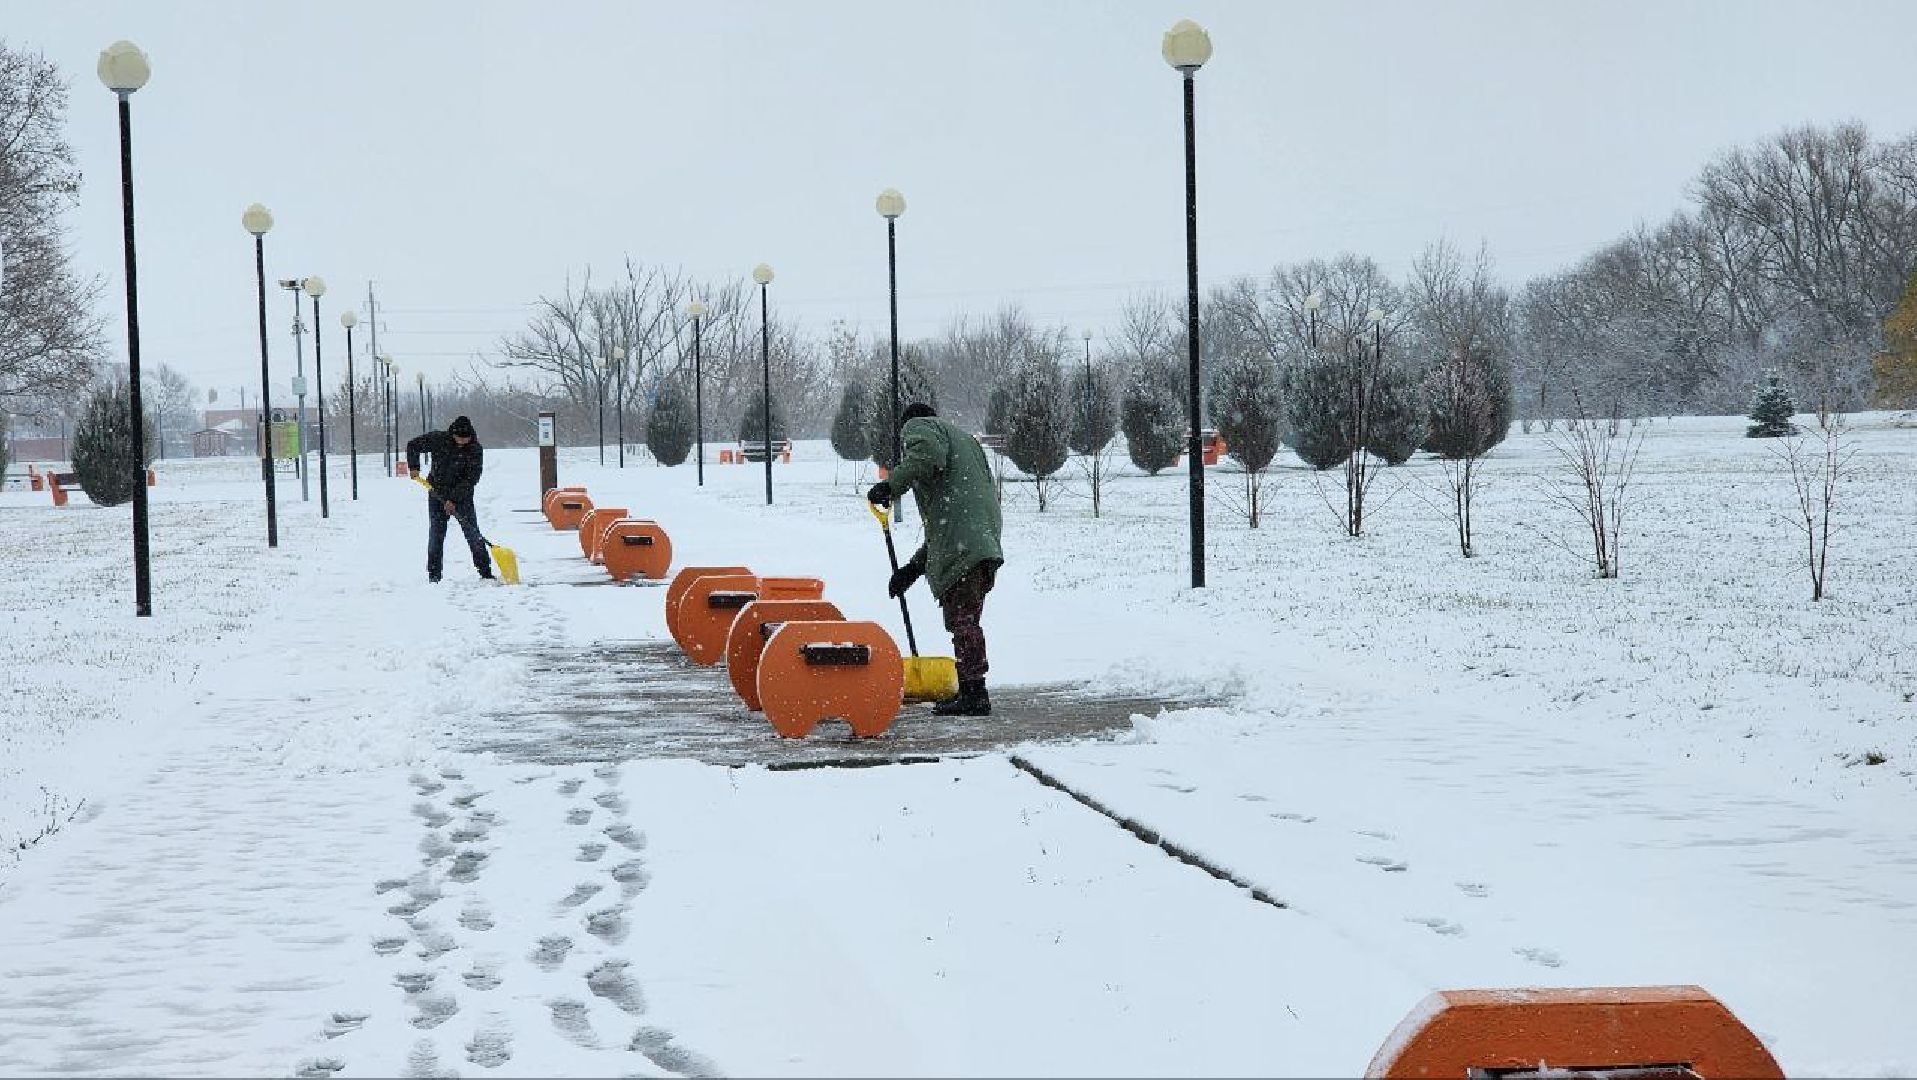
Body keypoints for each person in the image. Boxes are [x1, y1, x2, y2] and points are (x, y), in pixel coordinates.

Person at [867, 402, 1003, 716]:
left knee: (963, 621)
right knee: (966, 618)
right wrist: (912, 571)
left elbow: (926, 456)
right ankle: (971, 688)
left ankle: (974, 693)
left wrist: (890, 486)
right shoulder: (964, 443)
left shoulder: (922, 427)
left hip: (965, 546)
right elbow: (947, 530)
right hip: (981, 541)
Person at [406, 415, 493, 583]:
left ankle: (485, 572)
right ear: (453, 434)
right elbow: (413, 445)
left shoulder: (475, 449)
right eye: (458, 438)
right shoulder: (439, 439)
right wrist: (414, 466)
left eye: (465, 439)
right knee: (436, 536)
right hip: (436, 494)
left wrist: (453, 499)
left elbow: (472, 478)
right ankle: (434, 576)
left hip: (463, 497)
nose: (462, 442)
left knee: (473, 534)